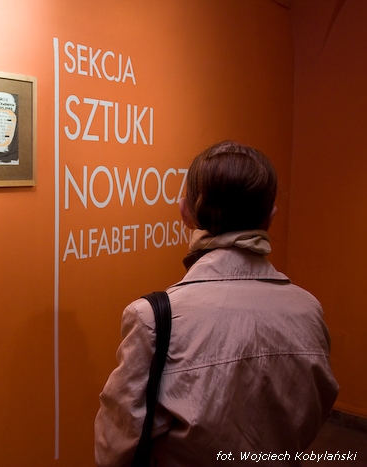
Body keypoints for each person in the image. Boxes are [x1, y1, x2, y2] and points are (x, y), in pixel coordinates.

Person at [94, 141, 339, 466]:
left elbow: (114, 450)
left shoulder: (154, 319)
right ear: (270, 217)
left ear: (185, 212)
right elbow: (315, 410)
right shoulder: (309, 310)